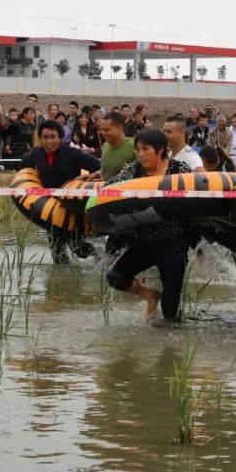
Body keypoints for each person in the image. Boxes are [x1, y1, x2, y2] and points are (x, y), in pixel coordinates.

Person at [104, 129, 193, 324]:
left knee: (170, 312)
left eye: (145, 149)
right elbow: (108, 189)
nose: (140, 154)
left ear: (160, 149)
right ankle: (150, 295)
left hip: (173, 243)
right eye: (137, 149)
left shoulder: (180, 170)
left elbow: (199, 197)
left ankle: (169, 347)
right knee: (115, 277)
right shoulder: (134, 170)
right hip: (144, 241)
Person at [21, 119, 102, 261]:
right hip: (49, 207)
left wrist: (91, 179)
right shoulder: (36, 154)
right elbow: (24, 165)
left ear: (60, 138)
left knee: (77, 246)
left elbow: (98, 166)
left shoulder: (72, 153)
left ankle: (101, 260)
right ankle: (60, 279)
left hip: (71, 207)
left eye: (53, 137)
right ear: (40, 139)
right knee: (57, 251)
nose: (49, 141)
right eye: (45, 137)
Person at [91, 112, 136, 180]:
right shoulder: (105, 146)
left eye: (107, 130)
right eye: (102, 129)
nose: (103, 133)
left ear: (120, 128)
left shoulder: (135, 146)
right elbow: (105, 170)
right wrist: (95, 174)